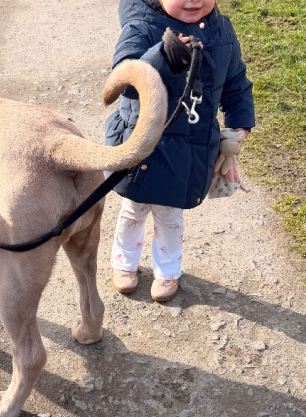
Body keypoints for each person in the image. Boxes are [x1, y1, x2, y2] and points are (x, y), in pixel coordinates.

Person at [105, 0, 255, 302]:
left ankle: (168, 271)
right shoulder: (142, 26)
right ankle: (124, 264)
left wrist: (240, 125)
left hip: (189, 146)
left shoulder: (221, 32)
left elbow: (236, 83)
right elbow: (124, 79)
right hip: (143, 142)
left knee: (170, 215)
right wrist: (163, 56)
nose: (193, 1)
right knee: (133, 209)